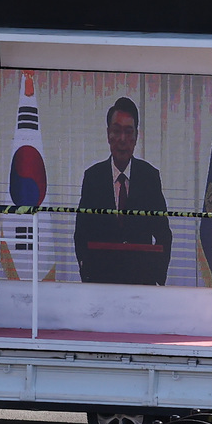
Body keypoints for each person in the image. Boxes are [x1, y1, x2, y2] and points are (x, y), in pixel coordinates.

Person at [73, 97, 174, 285]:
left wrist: (158, 279)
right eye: (116, 131)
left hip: (141, 282)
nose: (122, 139)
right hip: (101, 280)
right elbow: (81, 233)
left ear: (136, 136)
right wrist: (86, 274)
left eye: (128, 132)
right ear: (108, 134)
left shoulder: (149, 177)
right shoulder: (93, 178)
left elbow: (163, 234)